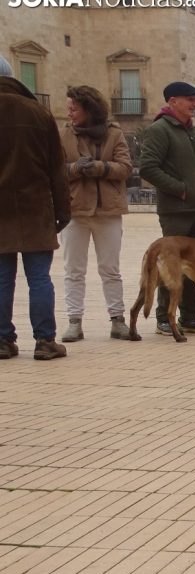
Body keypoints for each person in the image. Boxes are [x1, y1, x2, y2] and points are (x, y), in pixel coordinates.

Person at [0, 55, 69, 361]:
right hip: (36, 208)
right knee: (39, 278)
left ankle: (3, 340)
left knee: (2, 278)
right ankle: (44, 341)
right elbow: (57, 169)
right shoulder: (38, 112)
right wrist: (63, 211)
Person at [139, 80, 195, 336]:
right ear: (172, 101)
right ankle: (164, 317)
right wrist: (180, 189)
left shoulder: (193, 133)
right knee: (171, 267)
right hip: (175, 212)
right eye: (189, 99)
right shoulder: (160, 130)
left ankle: (191, 317)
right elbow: (149, 168)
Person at [58, 85, 133, 343]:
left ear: (88, 109)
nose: (69, 113)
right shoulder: (63, 135)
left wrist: (100, 167)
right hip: (75, 211)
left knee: (110, 269)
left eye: (73, 108)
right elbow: (55, 170)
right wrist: (76, 169)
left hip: (108, 211)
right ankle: (74, 322)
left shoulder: (114, 134)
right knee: (73, 270)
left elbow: (125, 167)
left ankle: (117, 320)